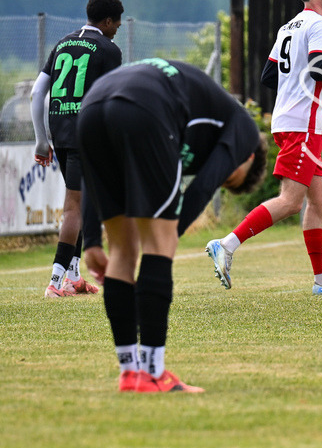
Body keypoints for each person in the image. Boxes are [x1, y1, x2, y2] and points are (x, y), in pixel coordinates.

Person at [77, 58, 266, 393]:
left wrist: (91, 240)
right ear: (249, 158)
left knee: (121, 248)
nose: (224, 178)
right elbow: (204, 185)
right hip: (147, 107)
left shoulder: (207, 119)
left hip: (92, 106)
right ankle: (154, 373)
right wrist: (164, 242)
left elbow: (90, 174)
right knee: (158, 243)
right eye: (231, 180)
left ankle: (130, 373)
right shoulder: (246, 133)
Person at [206, 0, 322, 294]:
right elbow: (321, 66)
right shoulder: (319, 24)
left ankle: (321, 280)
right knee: (292, 201)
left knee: (320, 198)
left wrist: (313, 85)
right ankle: (226, 243)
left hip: (291, 119)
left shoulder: (288, 27)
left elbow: (271, 76)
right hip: (302, 124)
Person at [30, 0, 124, 298]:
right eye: (117, 23)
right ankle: (55, 283)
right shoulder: (109, 49)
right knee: (75, 205)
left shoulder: (62, 44)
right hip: (88, 133)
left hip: (60, 131)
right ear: (108, 21)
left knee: (83, 202)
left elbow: (36, 92)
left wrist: (42, 140)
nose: (117, 29)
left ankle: (73, 277)